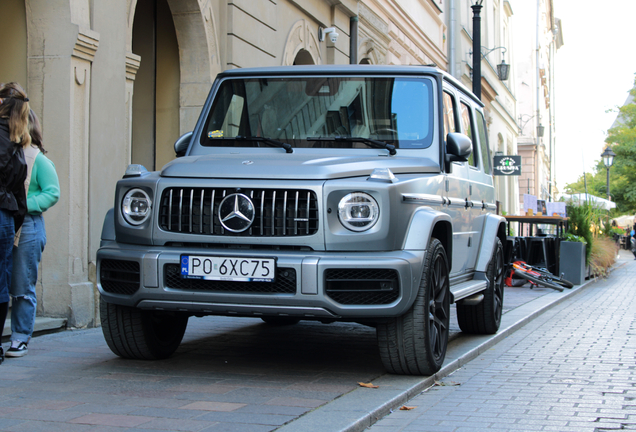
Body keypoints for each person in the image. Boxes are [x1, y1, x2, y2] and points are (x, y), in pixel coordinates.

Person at [6, 109, 59, 357]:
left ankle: (19, 337)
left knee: (22, 283)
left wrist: (24, 204)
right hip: (8, 221)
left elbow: (52, 192)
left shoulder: (38, 159)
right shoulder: (8, 154)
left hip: (28, 225)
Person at [0, 82, 30, 365]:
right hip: (6, 216)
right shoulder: (16, 143)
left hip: (5, 215)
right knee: (0, 281)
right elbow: (19, 192)